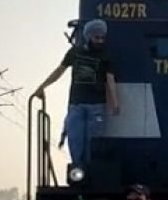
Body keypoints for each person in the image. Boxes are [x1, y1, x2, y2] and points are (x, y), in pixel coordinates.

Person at [31, 19, 120, 168]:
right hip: (76, 104)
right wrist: (42, 86)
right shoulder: (74, 53)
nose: (100, 41)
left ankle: (91, 170)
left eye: (102, 38)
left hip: (97, 106)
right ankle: (79, 170)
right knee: (75, 139)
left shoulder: (105, 55)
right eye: (97, 37)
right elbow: (59, 71)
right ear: (88, 36)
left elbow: (110, 79)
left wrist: (115, 102)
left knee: (94, 143)